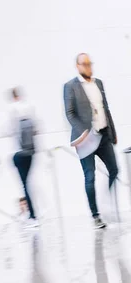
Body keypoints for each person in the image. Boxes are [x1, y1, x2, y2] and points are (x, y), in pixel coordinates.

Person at [64, 53, 118, 229]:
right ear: (78, 66)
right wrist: (83, 132)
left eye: (90, 63)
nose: (88, 67)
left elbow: (105, 108)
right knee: (90, 176)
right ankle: (95, 215)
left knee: (114, 169)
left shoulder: (98, 83)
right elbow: (70, 113)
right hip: (85, 139)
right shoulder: (70, 86)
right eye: (84, 64)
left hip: (103, 135)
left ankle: (106, 202)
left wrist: (113, 132)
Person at [7, 88, 39, 228]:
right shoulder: (29, 107)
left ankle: (32, 215)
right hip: (30, 152)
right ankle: (32, 214)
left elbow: (8, 130)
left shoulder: (11, 109)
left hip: (18, 153)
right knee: (28, 183)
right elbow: (37, 129)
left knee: (25, 184)